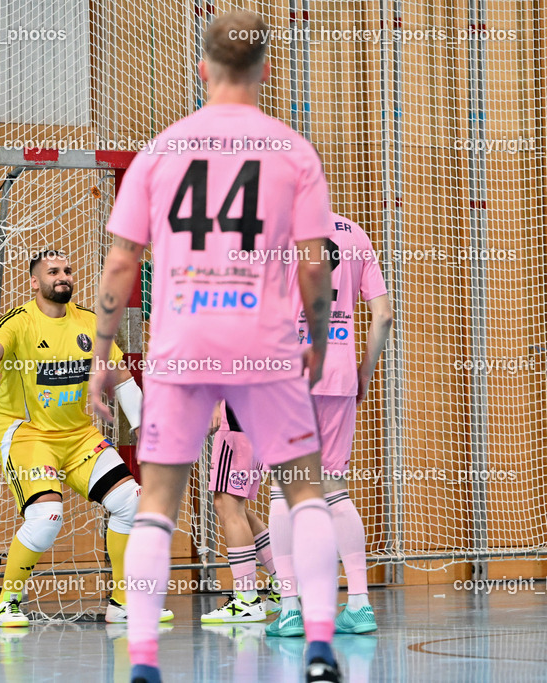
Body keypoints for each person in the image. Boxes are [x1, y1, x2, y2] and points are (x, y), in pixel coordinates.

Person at [88, 11, 343, 683]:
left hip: (181, 344)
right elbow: (315, 265)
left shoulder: (161, 149)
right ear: (264, 71)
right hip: (263, 341)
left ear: (202, 68)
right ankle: (319, 644)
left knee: (157, 502)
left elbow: (119, 266)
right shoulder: (293, 151)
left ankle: (143, 660)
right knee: (306, 492)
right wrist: (316, 338)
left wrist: (101, 355)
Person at [0, 250, 172, 627]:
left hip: (78, 436)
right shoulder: (20, 322)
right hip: (28, 435)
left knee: (132, 502)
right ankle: (7, 602)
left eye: (66, 270)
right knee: (46, 517)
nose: (62, 276)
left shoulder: (91, 324)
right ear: (35, 282)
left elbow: (122, 379)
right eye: (52, 271)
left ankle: (124, 603)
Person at [266, 214, 393, 637]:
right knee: (334, 488)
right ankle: (359, 604)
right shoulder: (354, 232)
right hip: (338, 373)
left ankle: (289, 609)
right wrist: (364, 374)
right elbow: (384, 316)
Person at [199, 401, 280, 624]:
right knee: (233, 506)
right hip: (255, 416)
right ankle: (285, 581)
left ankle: (247, 599)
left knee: (228, 505)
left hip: (236, 417)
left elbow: (229, 365)